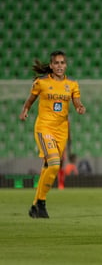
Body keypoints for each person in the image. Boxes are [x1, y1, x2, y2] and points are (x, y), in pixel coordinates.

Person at [19, 50, 86, 218]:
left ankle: (36, 206)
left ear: (66, 65)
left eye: (62, 63)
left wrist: (79, 107)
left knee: (48, 167)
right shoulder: (41, 83)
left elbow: (76, 101)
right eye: (56, 63)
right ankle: (41, 202)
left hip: (61, 130)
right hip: (44, 128)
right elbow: (30, 100)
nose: (59, 66)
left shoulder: (72, 85)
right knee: (55, 163)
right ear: (51, 65)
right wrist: (25, 110)